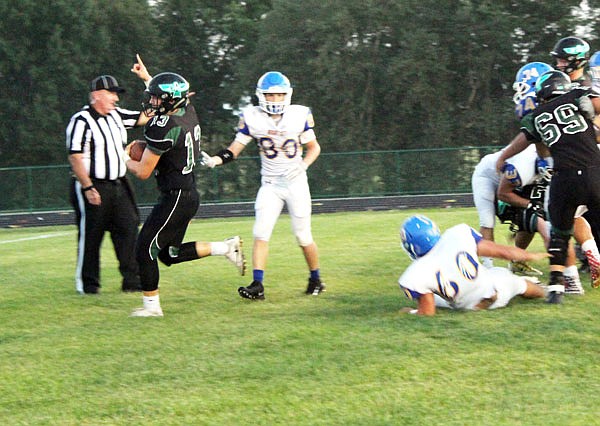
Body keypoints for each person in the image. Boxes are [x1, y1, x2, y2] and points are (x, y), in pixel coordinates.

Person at [126, 62, 246, 317]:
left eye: (157, 98)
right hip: (187, 193)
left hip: (177, 196)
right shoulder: (187, 111)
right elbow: (175, 97)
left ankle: (152, 307)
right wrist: (147, 77)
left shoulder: (164, 127)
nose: (152, 102)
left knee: (144, 248)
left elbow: (143, 171)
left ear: (170, 101)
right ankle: (227, 248)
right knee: (169, 254)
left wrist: (121, 156)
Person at [200, 71, 324, 300]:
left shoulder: (299, 115)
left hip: (296, 183)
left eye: (279, 95)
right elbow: (234, 150)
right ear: (261, 96)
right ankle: (258, 284)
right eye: (270, 95)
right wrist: (216, 160)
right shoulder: (252, 117)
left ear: (287, 95)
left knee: (303, 236)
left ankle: (316, 278)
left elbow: (314, 147)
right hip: (270, 184)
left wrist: (303, 165)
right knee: (260, 233)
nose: (275, 100)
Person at [495, 69, 600, 304]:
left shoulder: (537, 114)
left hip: (564, 177)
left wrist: (503, 157)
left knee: (559, 235)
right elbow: (597, 107)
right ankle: (594, 253)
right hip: (595, 171)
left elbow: (524, 141)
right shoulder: (577, 95)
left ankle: (556, 290)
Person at [66, 75, 148, 294]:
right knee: (91, 235)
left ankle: (132, 281)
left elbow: (143, 117)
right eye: (111, 94)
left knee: (129, 230)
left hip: (119, 184)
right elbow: (75, 156)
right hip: (93, 185)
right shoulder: (81, 120)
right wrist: (87, 187)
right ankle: (88, 285)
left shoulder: (116, 116)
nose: (116, 99)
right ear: (96, 96)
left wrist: (170, 100)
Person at [471, 61, 552, 270]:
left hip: (518, 178)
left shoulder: (541, 149)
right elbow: (504, 192)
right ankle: (487, 267)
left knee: (533, 221)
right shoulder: (525, 162)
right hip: (489, 175)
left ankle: (517, 262)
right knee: (488, 220)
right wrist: (529, 205)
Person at [398, 215, 548, 316]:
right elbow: (503, 252)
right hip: (497, 291)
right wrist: (529, 255)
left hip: (468, 306)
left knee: (434, 294)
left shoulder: (413, 274)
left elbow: (427, 312)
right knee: (517, 282)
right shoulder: (458, 234)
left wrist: (411, 312)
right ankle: (545, 292)